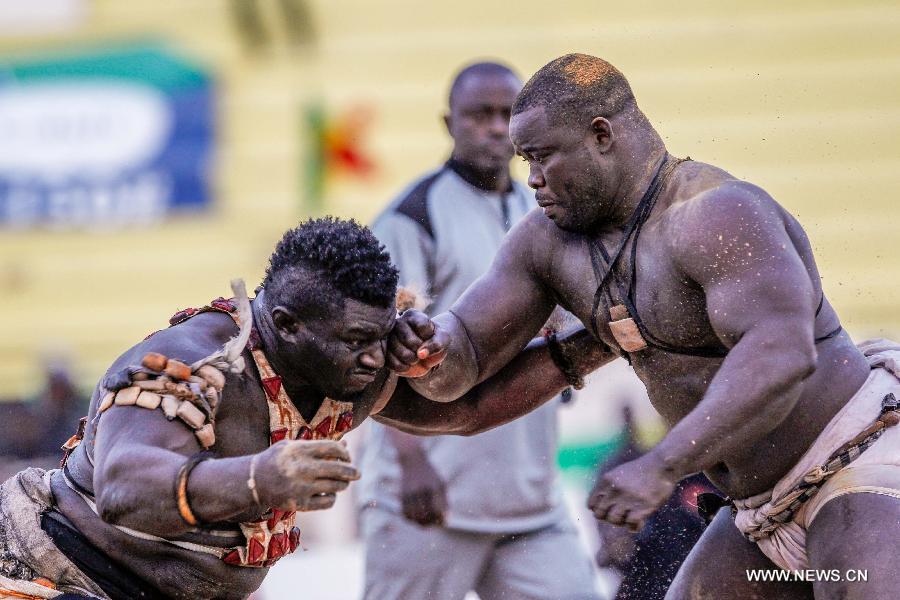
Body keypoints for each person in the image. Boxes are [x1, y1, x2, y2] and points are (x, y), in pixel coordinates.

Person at [395, 54, 900, 599]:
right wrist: (425, 345)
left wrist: (660, 465)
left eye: (542, 158)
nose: (532, 180)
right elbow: (461, 365)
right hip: (759, 513)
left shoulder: (716, 212)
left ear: (601, 135)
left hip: (854, 464)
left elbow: (782, 356)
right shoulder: (546, 242)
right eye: (525, 161)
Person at [0, 217, 610, 600]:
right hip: (57, 573)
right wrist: (260, 477)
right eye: (355, 342)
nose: (375, 359)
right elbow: (124, 489)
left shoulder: (355, 367)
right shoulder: (195, 363)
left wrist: (602, 341)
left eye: (381, 336)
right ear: (286, 325)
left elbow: (463, 409)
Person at [357, 61, 598, 600]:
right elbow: (379, 350)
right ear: (449, 123)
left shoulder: (544, 210)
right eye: (478, 114)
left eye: (506, 114)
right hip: (429, 501)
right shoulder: (412, 217)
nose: (494, 127)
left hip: (529, 504)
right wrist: (412, 466)